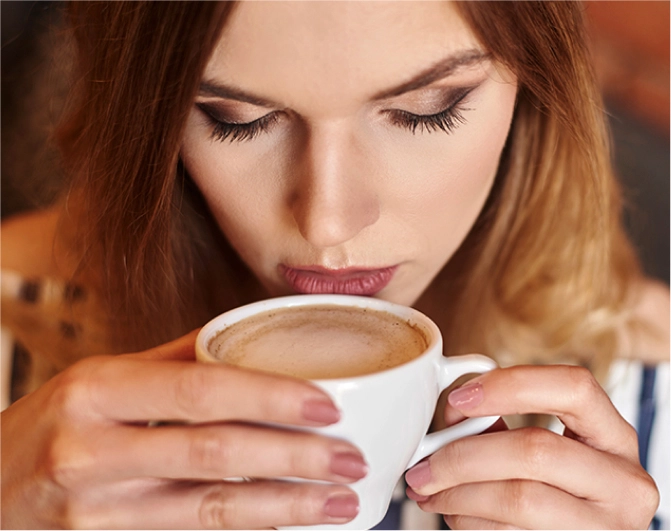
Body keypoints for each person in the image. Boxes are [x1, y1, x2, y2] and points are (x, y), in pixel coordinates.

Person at [1, 1, 668, 529]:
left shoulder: (650, 392)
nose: (326, 221)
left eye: (423, 111)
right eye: (236, 119)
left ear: (535, 85)